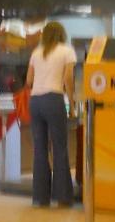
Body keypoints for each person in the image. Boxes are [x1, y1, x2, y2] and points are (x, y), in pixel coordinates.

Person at [25, 21, 76, 207]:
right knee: (59, 148)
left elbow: (29, 80)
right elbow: (68, 78)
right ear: (62, 34)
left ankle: (40, 198)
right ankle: (63, 198)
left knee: (40, 149)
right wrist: (71, 103)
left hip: (35, 101)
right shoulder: (67, 51)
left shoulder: (36, 53)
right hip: (54, 99)